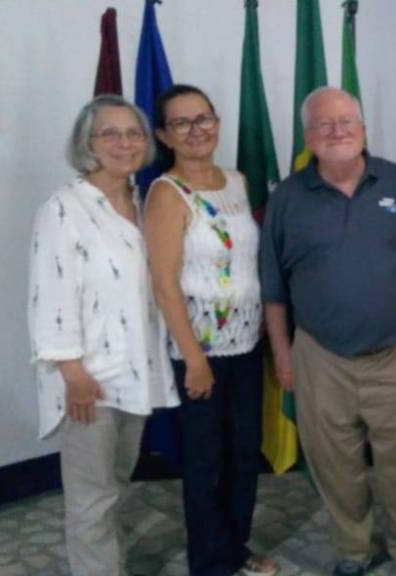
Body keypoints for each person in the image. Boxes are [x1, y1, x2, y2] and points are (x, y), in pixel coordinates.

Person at [260, 87, 396, 576]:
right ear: (307, 136)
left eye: (346, 121)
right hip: (319, 356)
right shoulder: (287, 198)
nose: (337, 132)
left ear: (363, 128)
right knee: (335, 464)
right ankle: (353, 550)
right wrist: (283, 356)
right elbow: (273, 289)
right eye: (323, 124)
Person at [27, 94, 180, 576]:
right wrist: (73, 374)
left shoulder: (143, 203)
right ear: (87, 143)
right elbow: (49, 295)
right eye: (109, 133)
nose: (124, 143)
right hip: (88, 380)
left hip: (135, 372)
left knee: (114, 485)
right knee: (91, 499)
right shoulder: (64, 209)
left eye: (133, 133)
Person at [144, 85, 276, 576]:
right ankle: (210, 564)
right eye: (181, 123)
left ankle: (235, 550)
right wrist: (194, 359)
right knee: (205, 462)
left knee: (244, 454)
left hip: (247, 345)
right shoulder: (166, 193)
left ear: (217, 123)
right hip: (199, 351)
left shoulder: (237, 181)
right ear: (164, 135)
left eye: (203, 119)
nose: (196, 130)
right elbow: (164, 284)